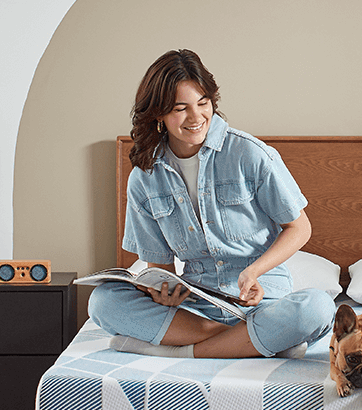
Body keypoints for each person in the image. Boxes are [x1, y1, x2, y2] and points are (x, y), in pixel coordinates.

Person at [89, 49, 334, 359]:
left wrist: (254, 272)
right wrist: (165, 293)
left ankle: (182, 352)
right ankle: (255, 341)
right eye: (180, 108)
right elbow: (160, 267)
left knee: (317, 308)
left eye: (203, 103)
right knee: (103, 301)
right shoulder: (145, 176)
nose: (196, 118)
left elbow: (299, 227)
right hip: (196, 307)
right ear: (158, 114)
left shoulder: (249, 154)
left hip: (262, 301)